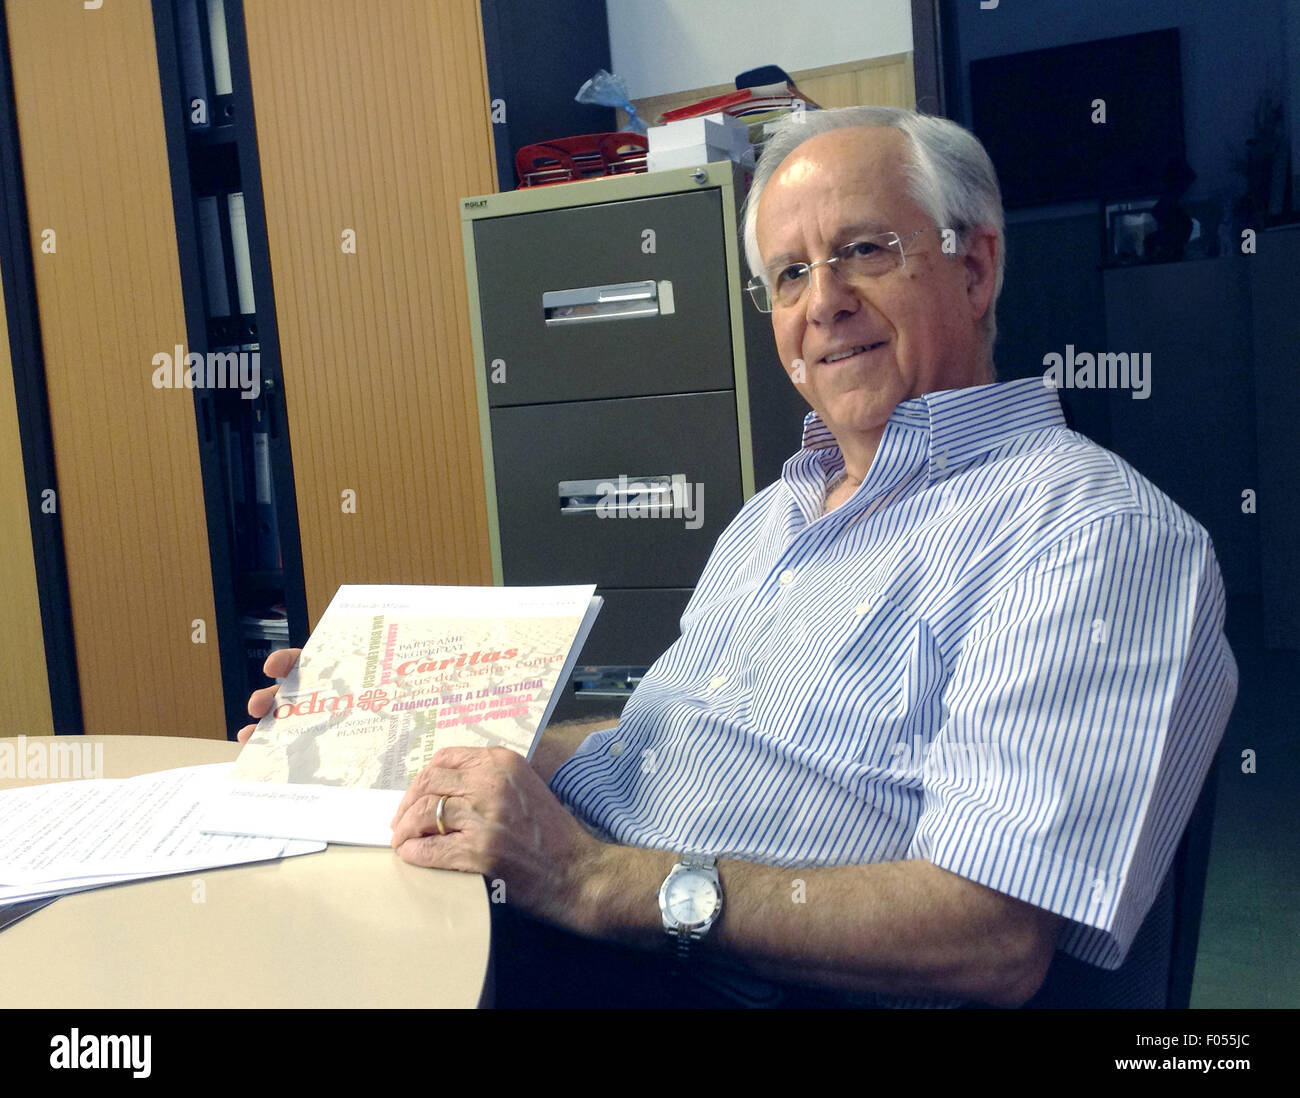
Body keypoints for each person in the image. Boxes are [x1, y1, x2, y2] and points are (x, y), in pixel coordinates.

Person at [240, 106, 1237, 1008]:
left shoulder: (1089, 534)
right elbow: (667, 745)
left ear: (974, 268)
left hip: (696, 980)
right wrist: (413, 735)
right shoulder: (774, 513)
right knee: (258, 923)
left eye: (864, 251)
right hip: (580, 925)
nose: (823, 303)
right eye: (789, 275)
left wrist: (588, 879)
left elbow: (989, 934)